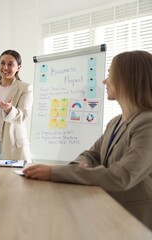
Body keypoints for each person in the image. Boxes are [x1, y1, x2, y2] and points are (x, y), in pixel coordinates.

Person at [23, 50, 152, 229]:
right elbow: (91, 155)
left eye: (109, 74)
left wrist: (55, 172)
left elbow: (122, 176)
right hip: (109, 212)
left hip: (136, 222)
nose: (104, 81)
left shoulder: (148, 123)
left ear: (126, 79)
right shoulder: (116, 122)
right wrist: (79, 166)